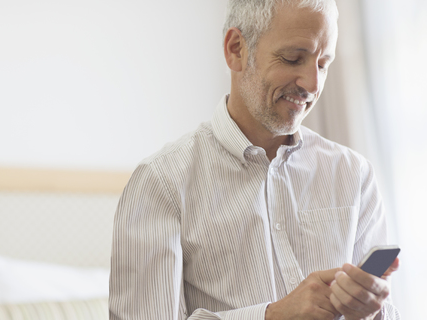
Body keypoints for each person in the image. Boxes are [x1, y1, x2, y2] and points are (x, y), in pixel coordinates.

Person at [109, 0, 401, 319]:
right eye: (293, 59)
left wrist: (372, 310)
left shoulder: (353, 174)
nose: (312, 85)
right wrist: (271, 316)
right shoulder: (161, 183)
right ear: (236, 49)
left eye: (322, 64)